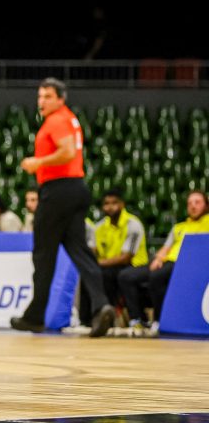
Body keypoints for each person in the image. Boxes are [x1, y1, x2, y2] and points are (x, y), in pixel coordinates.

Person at [11, 77, 115, 338]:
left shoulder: (57, 120)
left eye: (48, 96)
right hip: (76, 188)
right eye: (40, 96)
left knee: (43, 255)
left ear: (60, 99)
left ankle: (35, 317)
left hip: (57, 191)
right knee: (80, 251)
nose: (42, 101)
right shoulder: (69, 118)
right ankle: (101, 304)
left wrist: (38, 162)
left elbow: (67, 152)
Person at [118, 190, 209, 336]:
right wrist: (158, 259)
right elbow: (166, 248)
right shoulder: (179, 227)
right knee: (126, 276)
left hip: (187, 264)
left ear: (206, 205)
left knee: (157, 276)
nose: (193, 206)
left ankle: (159, 320)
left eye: (197, 202)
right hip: (168, 262)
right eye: (189, 203)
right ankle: (139, 320)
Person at [78, 188, 148, 329]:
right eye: (106, 204)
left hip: (134, 266)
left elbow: (125, 258)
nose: (110, 207)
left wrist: (97, 263)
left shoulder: (133, 224)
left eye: (114, 203)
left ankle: (110, 320)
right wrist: (92, 262)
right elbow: (93, 251)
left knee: (107, 275)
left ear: (122, 204)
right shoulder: (99, 227)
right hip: (107, 265)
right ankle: (85, 321)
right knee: (88, 273)